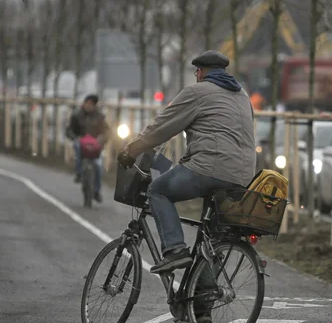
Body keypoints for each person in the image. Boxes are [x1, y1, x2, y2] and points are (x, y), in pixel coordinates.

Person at [117, 50, 256, 274]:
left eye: (196, 72)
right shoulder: (243, 96)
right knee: (212, 238)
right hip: (243, 176)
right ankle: (202, 300)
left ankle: (175, 250)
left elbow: (163, 126)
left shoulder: (197, 92)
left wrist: (131, 150)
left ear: (200, 73)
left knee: (158, 191)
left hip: (209, 169)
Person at [66, 94, 111, 202]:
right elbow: (69, 130)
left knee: (98, 166)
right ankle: (79, 173)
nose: (89, 106)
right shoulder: (76, 115)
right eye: (88, 103)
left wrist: (102, 139)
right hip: (81, 143)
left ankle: (96, 191)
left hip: (95, 145)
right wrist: (75, 138)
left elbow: (107, 131)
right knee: (77, 147)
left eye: (92, 104)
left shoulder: (100, 116)